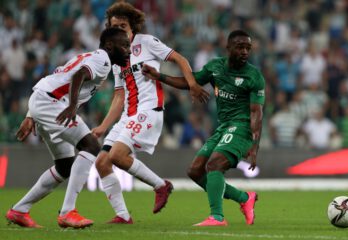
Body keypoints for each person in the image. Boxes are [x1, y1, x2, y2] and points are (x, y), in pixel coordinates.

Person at [92, 2, 209, 224]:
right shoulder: (116, 57)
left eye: (123, 25)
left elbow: (179, 59)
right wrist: (103, 126)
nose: (120, 29)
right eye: (114, 26)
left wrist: (192, 84)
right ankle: (123, 215)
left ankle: (160, 185)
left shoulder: (146, 42)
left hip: (149, 110)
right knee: (102, 162)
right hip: (128, 115)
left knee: (116, 156)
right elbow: (119, 97)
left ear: (132, 25)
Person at [5, 27, 131, 229]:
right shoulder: (103, 60)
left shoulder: (91, 56)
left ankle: (19, 210)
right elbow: (78, 75)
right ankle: (67, 212)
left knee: (64, 167)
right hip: (53, 104)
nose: (128, 50)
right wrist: (72, 106)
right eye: (124, 45)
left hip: (44, 100)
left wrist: (31, 114)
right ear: (109, 45)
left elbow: (58, 77)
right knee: (91, 146)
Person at [142, 30, 265, 226]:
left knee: (214, 165)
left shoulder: (253, 76)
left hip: (241, 128)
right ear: (229, 48)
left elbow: (256, 112)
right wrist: (159, 76)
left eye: (248, 48)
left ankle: (217, 217)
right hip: (223, 127)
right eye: (240, 47)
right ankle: (244, 198)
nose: (245, 52)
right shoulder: (215, 67)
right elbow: (190, 81)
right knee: (195, 171)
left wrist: (255, 144)